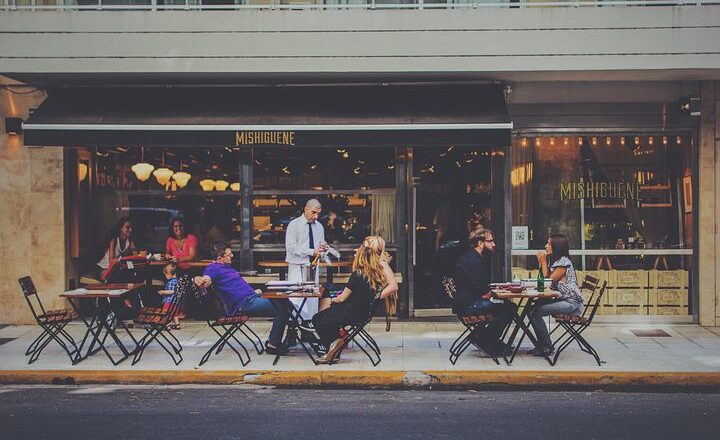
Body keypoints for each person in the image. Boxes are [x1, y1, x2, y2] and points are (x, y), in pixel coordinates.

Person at [312, 236, 398, 364]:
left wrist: (373, 298)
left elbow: (393, 286)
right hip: (361, 311)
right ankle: (334, 347)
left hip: (354, 311)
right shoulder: (372, 271)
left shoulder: (375, 267)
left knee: (321, 316)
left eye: (364, 246)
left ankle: (333, 344)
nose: (358, 249)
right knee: (330, 303)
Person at [194, 242, 290, 355]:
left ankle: (278, 339)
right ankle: (273, 344)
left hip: (251, 297)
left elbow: (235, 287)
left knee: (285, 301)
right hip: (244, 304)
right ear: (220, 258)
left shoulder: (226, 267)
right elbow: (206, 280)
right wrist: (199, 279)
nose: (232, 256)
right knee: (282, 307)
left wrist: (254, 292)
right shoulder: (213, 268)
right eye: (229, 255)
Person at [453, 229, 517, 356]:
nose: (494, 244)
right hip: (470, 305)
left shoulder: (471, 257)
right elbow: (484, 293)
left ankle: (486, 338)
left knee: (507, 307)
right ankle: (486, 340)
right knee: (508, 309)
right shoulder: (474, 262)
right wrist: (501, 293)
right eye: (490, 241)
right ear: (480, 243)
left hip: (466, 302)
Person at [528, 234, 584, 356]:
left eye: (548, 243)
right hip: (563, 299)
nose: (546, 246)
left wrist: (542, 262)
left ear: (556, 246)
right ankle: (541, 344)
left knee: (534, 312)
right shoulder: (556, 262)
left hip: (571, 303)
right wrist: (542, 263)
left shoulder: (563, 263)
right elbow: (543, 280)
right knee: (531, 309)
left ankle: (546, 346)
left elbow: (547, 282)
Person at [285, 199, 327, 322]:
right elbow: (291, 247)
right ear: (306, 209)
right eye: (314, 212)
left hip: (313, 266)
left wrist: (323, 249)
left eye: (318, 213)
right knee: (295, 298)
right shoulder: (294, 225)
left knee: (312, 299)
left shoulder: (319, 226)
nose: (316, 216)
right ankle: (293, 329)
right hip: (297, 266)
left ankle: (308, 329)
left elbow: (320, 246)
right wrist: (311, 251)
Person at [161, 263, 181, 330]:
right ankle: (177, 324)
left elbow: (172, 291)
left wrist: (162, 292)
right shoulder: (177, 281)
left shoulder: (171, 282)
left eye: (166, 274)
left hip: (169, 301)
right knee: (175, 314)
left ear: (170, 273)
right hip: (176, 302)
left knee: (166, 313)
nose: (165, 276)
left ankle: (166, 324)